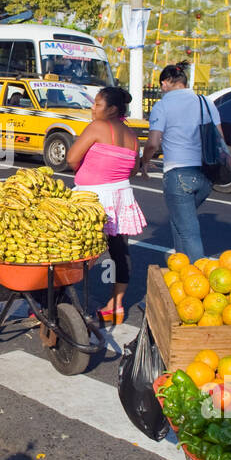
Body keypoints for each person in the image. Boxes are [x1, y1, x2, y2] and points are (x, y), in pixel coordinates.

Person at [66, 86, 146, 324]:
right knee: (119, 252)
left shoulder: (98, 127)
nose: (93, 108)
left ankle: (63, 301)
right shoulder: (132, 136)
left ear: (112, 109)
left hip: (91, 199)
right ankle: (116, 305)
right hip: (120, 196)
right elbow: (133, 169)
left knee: (74, 251)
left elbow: (71, 158)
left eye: (98, 104)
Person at [139, 61, 231, 263]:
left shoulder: (162, 106)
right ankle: (182, 270)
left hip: (178, 175)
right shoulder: (205, 102)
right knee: (179, 222)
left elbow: (153, 143)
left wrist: (144, 161)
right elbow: (220, 138)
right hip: (206, 175)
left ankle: (197, 276)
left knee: (189, 232)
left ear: (165, 83)